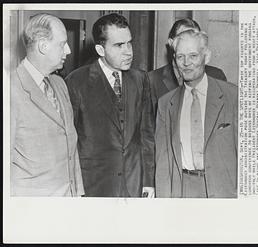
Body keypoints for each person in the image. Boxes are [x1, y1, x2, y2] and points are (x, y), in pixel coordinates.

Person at [65, 13, 155, 197]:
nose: (128, 51)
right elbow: (70, 143)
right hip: (95, 187)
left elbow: (147, 135)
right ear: (100, 49)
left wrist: (148, 182)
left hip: (134, 184)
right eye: (119, 45)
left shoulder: (141, 79)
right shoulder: (76, 81)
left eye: (129, 43)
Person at [155, 30, 238, 198]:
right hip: (182, 190)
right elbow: (163, 163)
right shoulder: (166, 103)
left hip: (223, 191)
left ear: (206, 56)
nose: (186, 63)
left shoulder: (233, 96)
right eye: (180, 57)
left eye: (193, 56)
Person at [10, 13, 84, 196]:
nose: (68, 50)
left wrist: (79, 194)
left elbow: (71, 147)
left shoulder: (60, 84)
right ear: (43, 46)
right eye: (62, 44)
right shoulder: (10, 90)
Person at [149, 18, 227, 116]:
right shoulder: (152, 80)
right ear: (171, 43)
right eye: (183, 37)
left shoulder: (217, 76)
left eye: (195, 37)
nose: (189, 42)